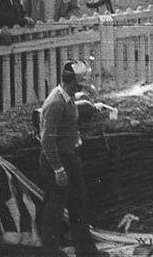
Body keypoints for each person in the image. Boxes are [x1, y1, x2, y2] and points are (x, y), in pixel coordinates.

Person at [37, 59, 100, 257]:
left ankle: (86, 251)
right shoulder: (55, 103)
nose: (81, 90)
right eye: (80, 86)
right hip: (56, 159)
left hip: (69, 156)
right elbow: (47, 141)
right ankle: (51, 252)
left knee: (79, 206)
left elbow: (70, 121)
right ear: (73, 83)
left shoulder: (68, 98)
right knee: (53, 211)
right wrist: (58, 169)